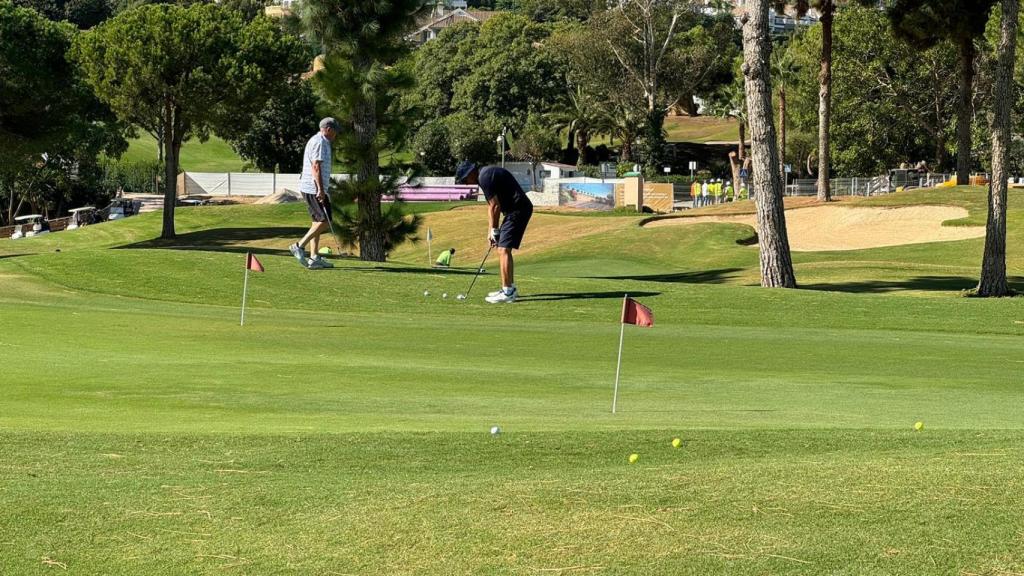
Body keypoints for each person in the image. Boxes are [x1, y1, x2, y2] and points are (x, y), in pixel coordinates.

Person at [455, 161, 533, 304]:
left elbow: (495, 206)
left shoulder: (484, 177)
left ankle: (507, 291)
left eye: (465, 179)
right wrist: (490, 232)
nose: (466, 183)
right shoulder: (485, 175)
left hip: (518, 210)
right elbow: (491, 206)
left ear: (471, 172)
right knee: (502, 248)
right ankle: (510, 288)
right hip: (514, 210)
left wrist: (495, 230)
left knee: (503, 249)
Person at [289, 117, 339, 270]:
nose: (336, 135)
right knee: (324, 221)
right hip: (313, 188)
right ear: (329, 129)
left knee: (317, 222)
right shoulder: (320, 142)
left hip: (311, 187)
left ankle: (314, 257)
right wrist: (320, 190)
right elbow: (315, 167)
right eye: (336, 131)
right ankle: (299, 246)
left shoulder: (318, 140)